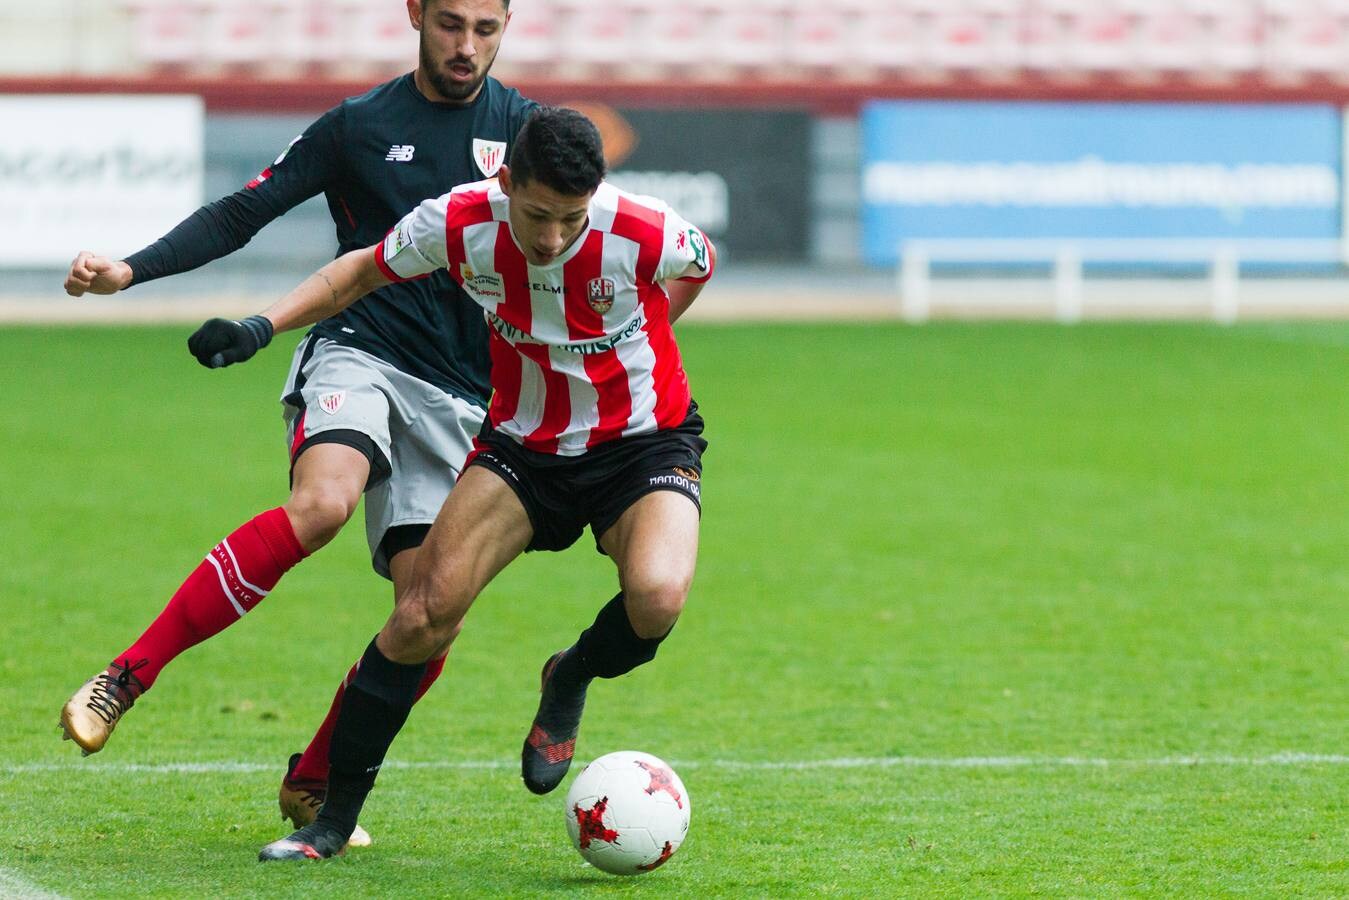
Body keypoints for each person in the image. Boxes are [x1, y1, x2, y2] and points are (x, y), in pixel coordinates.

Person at [57, 0, 535, 848]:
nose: (467, 47)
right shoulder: (359, 126)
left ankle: (314, 780)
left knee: (433, 612)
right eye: (451, 24)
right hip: (362, 348)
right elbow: (247, 209)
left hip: (462, 396)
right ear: (415, 14)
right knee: (323, 506)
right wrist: (130, 270)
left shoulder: (527, 133)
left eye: (486, 30)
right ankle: (125, 678)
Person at [193, 105, 716, 860]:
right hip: (522, 447)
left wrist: (645, 335)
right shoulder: (459, 221)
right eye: (535, 214)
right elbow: (360, 271)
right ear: (505, 182)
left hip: (642, 442)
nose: (549, 238)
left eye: (569, 220)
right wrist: (260, 326)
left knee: (657, 597)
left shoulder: (644, 229)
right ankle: (331, 820)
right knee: (420, 616)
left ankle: (569, 676)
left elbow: (697, 267)